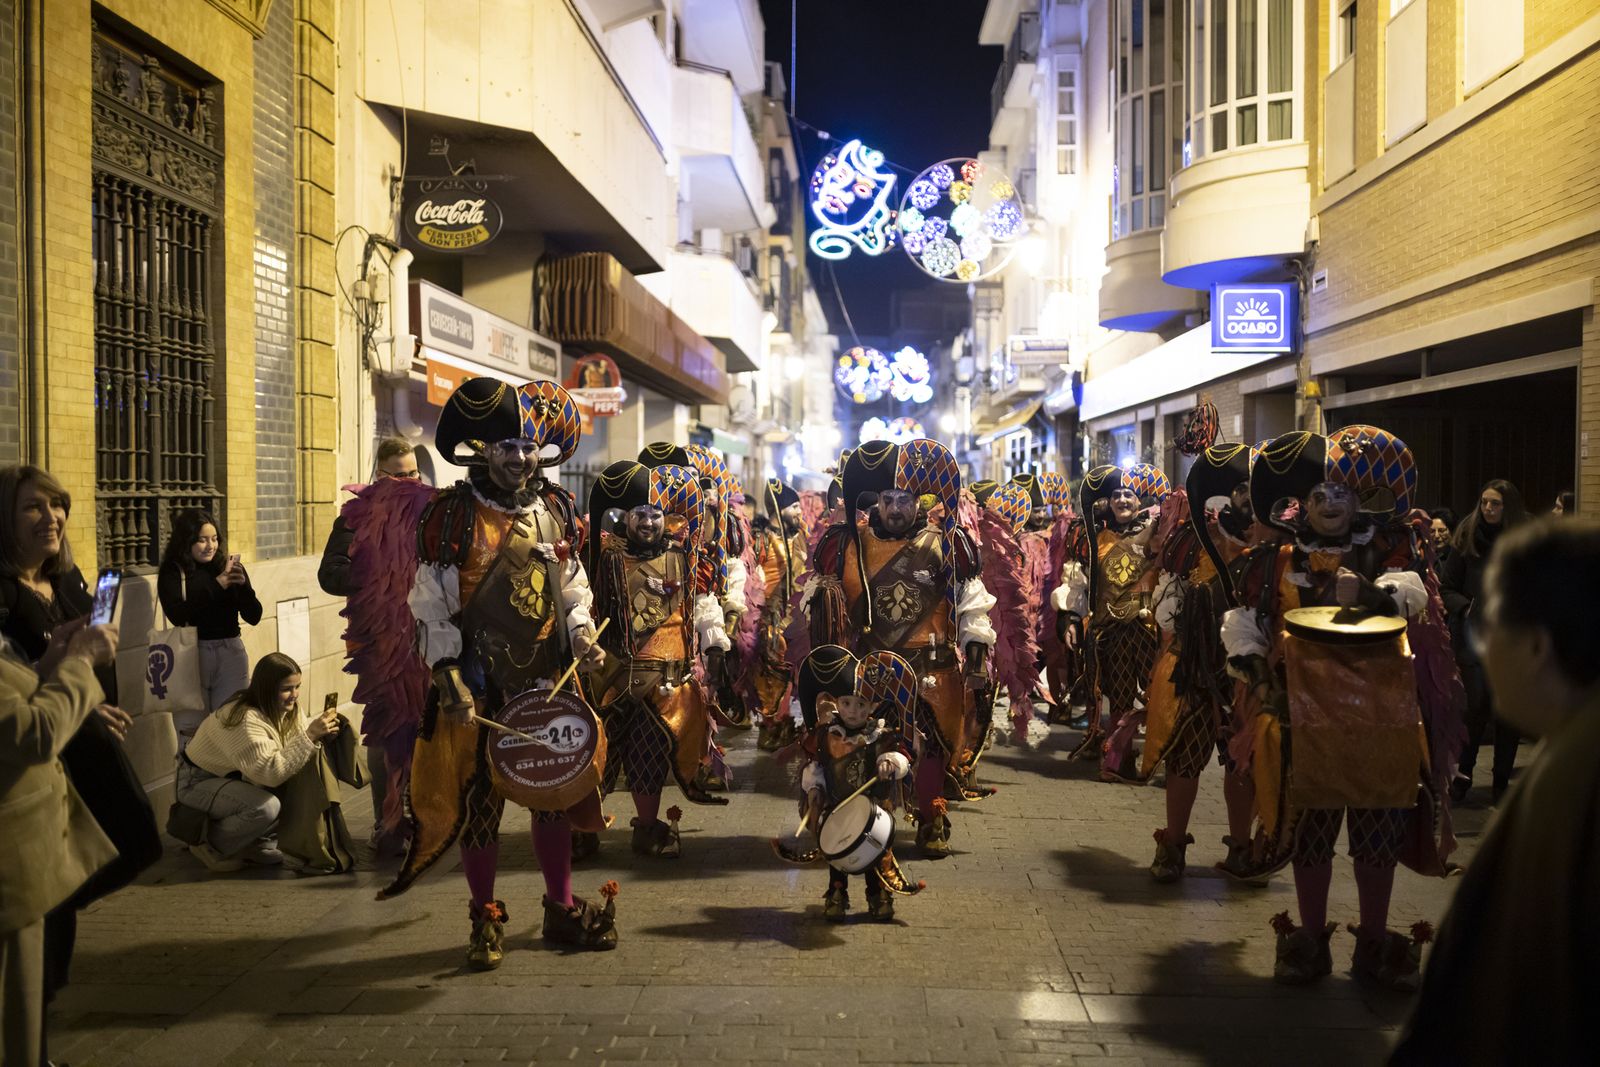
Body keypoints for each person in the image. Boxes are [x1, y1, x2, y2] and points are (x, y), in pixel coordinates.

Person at [384, 378, 610, 965]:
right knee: (480, 810)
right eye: (507, 446)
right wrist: (449, 675)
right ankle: (484, 920)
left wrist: (583, 635)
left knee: (551, 798)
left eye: (528, 446)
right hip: (478, 691)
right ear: (482, 449)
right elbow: (429, 602)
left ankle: (559, 906)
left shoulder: (556, 509)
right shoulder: (451, 514)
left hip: (545, 684)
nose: (520, 457)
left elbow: (572, 588)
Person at [1222, 427, 1457, 990]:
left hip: (1381, 715)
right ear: (1299, 502)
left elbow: (1413, 591)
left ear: (1358, 500)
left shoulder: (1388, 549)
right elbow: (1244, 627)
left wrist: (1373, 593)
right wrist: (1260, 679)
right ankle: (1308, 940)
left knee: (1377, 833)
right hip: (1303, 717)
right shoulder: (1273, 559)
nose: (1330, 504)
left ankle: (1374, 941)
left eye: (1341, 494)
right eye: (1319, 494)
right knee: (1312, 832)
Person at [1391, 518, 1600, 1065]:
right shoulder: (1569, 751)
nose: (1482, 652)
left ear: (1535, 644)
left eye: (1489, 632)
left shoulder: (1576, 780)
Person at [0, 464, 161, 1048]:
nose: (52, 518)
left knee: (138, 839)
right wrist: (74, 674)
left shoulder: (65, 581)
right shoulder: (4, 597)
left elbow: (93, 655)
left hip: (88, 739)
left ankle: (55, 923)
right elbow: (20, 690)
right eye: (33, 509)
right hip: (47, 752)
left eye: (57, 505)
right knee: (46, 897)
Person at [804, 440, 997, 858]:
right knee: (870, 749)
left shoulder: (948, 542)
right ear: (876, 501)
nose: (895, 508)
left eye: (904, 500)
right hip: (872, 670)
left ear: (919, 502)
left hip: (933, 670)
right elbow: (825, 606)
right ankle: (863, 826)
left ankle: (931, 820)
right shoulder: (846, 544)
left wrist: (977, 654)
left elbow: (971, 601)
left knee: (929, 751)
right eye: (888, 499)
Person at [586, 459, 731, 857]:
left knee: (647, 759)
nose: (648, 522)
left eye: (655, 514)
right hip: (611, 680)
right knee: (599, 756)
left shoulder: (685, 558)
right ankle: (582, 830)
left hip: (664, 685)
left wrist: (715, 646)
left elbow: (702, 604)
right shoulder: (603, 556)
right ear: (625, 517)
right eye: (640, 515)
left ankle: (647, 829)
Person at [1143, 444, 1273, 883]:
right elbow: (1167, 602)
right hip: (1196, 669)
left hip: (1251, 675)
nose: (1249, 499)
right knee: (1185, 758)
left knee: (1246, 763)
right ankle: (1173, 845)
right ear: (1227, 495)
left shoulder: (1278, 546)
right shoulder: (1193, 538)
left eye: (1257, 490)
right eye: (1242, 490)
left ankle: (1242, 848)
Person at [0, 618, 120, 1067]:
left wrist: (46, 666)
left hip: (25, 870)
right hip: (10, 877)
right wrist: (81, 662)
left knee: (24, 1026)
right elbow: (34, 733)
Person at [317, 435, 421, 853]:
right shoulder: (354, 518)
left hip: (424, 635)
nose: (409, 481)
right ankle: (387, 822)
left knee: (423, 728)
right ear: (380, 476)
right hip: (380, 639)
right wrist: (379, 576)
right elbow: (330, 574)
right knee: (385, 730)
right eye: (400, 475)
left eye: (414, 472)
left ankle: (422, 816)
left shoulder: (428, 511)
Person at [1053, 463, 1172, 779]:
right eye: (1116, 494)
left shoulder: (1157, 531)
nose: (1122, 500)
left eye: (1129, 495)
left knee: (1157, 693)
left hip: (1149, 629)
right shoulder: (1095, 537)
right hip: (1111, 630)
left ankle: (1160, 758)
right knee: (1119, 697)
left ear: (1139, 500)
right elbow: (1080, 585)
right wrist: (1070, 620)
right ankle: (1117, 760)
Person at [175, 652, 342, 872]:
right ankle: (207, 843)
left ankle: (253, 843)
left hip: (237, 779)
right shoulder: (244, 719)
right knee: (266, 807)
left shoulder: (288, 710)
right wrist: (310, 736)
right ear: (266, 688)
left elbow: (292, 756)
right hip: (197, 782)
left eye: (297, 686)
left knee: (293, 789)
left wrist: (318, 736)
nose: (294, 695)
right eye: (286, 689)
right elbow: (270, 774)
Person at [794, 646, 921, 922]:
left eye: (861, 705)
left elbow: (903, 757)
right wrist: (814, 789)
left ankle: (878, 894)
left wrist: (892, 762)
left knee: (876, 854)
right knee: (838, 854)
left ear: (873, 706)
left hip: (875, 807)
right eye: (848, 703)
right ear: (836, 702)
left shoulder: (881, 735)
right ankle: (837, 894)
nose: (854, 711)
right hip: (838, 808)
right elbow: (815, 766)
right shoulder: (826, 735)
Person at [1441, 479, 1528, 804]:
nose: (1488, 509)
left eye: (1496, 504)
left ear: (1509, 508)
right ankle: (1463, 776)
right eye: (1485, 502)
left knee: (1507, 713)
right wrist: (1467, 607)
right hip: (1473, 637)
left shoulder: (1523, 541)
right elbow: (1447, 586)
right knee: (1475, 708)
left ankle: (1501, 783)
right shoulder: (1467, 536)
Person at [158, 508, 263, 726]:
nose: (210, 546)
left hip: (230, 654)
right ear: (187, 541)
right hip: (192, 654)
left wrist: (243, 587)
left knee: (230, 728)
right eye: (202, 540)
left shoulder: (228, 567)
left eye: (214, 539)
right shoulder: (174, 571)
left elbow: (254, 616)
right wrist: (218, 585)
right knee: (191, 734)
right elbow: (178, 615)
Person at [751, 479, 808, 750]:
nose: (800, 511)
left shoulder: (799, 537)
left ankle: (785, 724)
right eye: (794, 506)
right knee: (772, 674)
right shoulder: (761, 539)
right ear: (779, 509)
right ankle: (770, 726)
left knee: (794, 672)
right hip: (770, 617)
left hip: (796, 617)